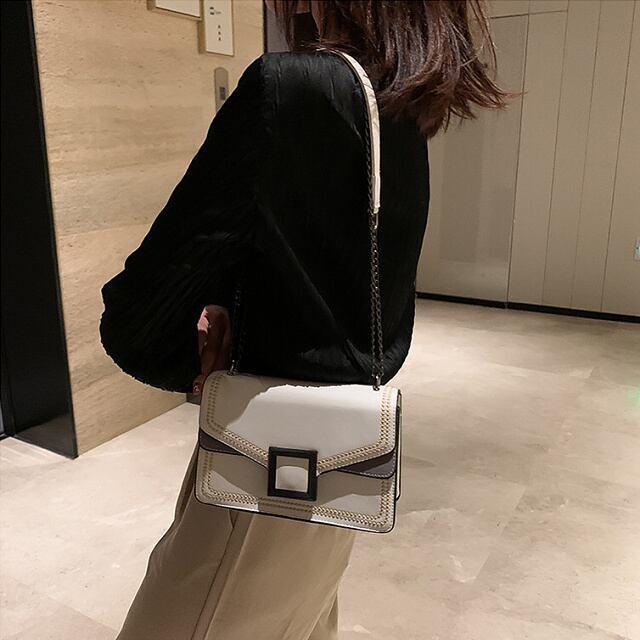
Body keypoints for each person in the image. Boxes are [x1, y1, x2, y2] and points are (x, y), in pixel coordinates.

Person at [99, 1, 511, 638]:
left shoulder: (290, 87)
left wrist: (194, 357)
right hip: (337, 453)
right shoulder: (394, 101)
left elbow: (149, 298)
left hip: (267, 458)